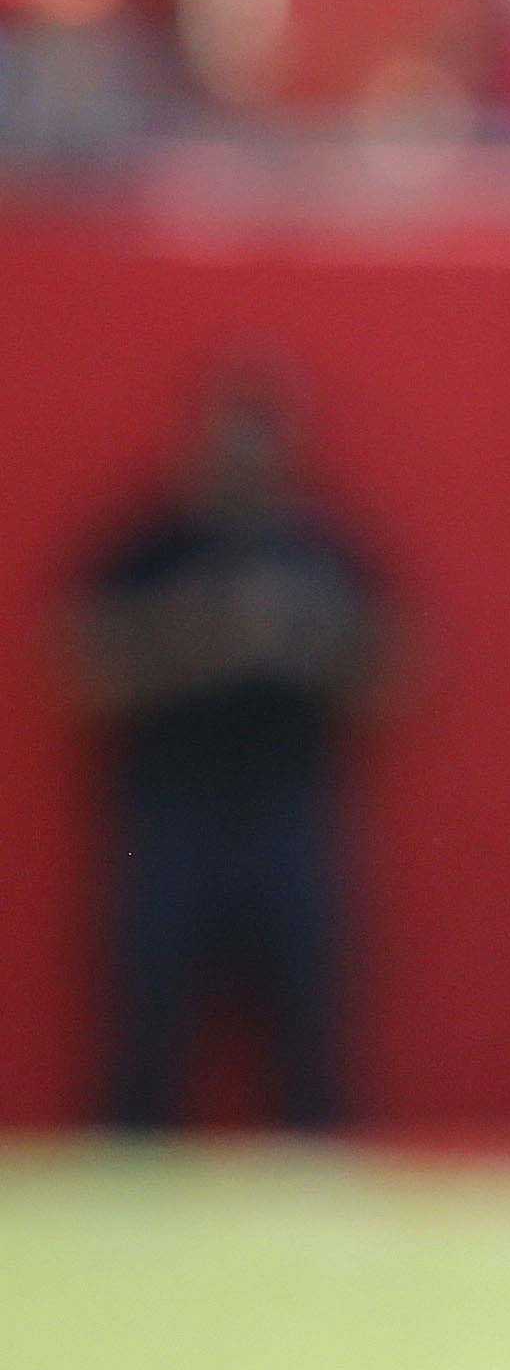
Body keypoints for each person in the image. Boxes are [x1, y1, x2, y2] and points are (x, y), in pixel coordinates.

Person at [74, 372, 385, 1133]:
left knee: (307, 1004)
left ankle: (315, 1173)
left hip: (287, 802)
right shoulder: (155, 548)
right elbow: (79, 665)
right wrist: (199, 635)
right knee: (151, 999)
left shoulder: (319, 549)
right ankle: (132, 1168)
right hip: (170, 804)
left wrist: (303, 638)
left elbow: (396, 668)